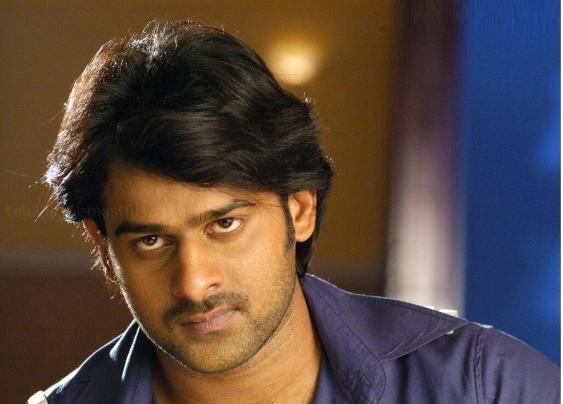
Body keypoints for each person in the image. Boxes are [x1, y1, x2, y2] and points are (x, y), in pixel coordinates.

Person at [28, 21, 559, 404]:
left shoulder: (487, 387)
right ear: (103, 248)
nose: (193, 283)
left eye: (225, 224)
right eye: (151, 241)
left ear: (300, 210)